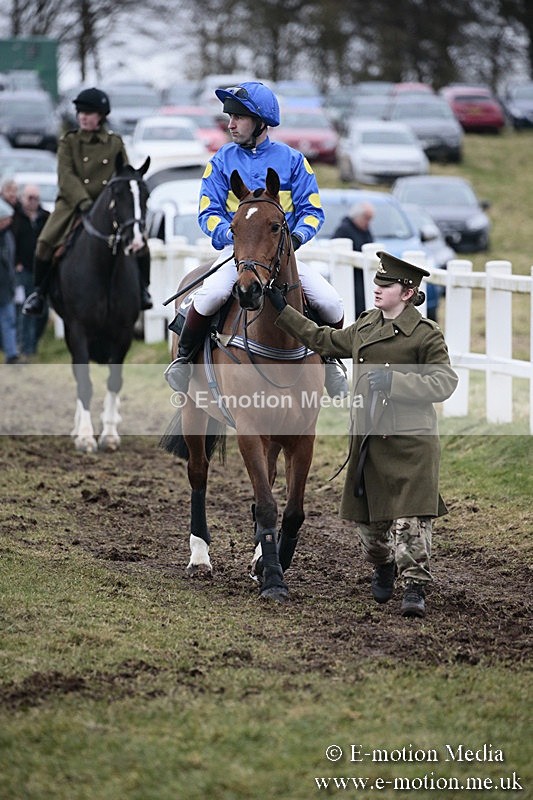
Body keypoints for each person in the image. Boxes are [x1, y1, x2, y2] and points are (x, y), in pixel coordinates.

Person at [265, 251, 458, 617]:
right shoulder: (366, 326)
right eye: (378, 283)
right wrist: (283, 311)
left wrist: (396, 382)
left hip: (411, 444)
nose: (378, 289)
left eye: (387, 285)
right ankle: (382, 565)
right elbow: (324, 339)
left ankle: (415, 588)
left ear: (408, 292)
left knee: (411, 525)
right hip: (368, 443)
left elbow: (445, 381)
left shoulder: (425, 335)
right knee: (370, 532)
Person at [165, 81, 348, 398]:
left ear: (261, 122)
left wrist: (296, 237)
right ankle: (183, 361)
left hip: (282, 255)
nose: (231, 124)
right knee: (207, 298)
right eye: (229, 118)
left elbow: (312, 211)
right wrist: (231, 235)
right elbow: (208, 210)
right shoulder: (221, 160)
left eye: (238, 118)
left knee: (331, 302)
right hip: (238, 257)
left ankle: (331, 363)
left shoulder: (293, 160)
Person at [22, 87, 152, 317]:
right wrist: (82, 201)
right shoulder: (69, 141)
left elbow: (124, 174)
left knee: (139, 241)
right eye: (80, 111)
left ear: (100, 115)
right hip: (73, 204)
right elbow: (66, 176)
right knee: (44, 242)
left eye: (89, 112)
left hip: (108, 204)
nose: (83, 116)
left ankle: (142, 289)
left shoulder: (114, 142)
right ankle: (39, 294)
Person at [12, 184, 50, 359]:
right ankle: (24, 347)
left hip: (42, 271)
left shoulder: (46, 218)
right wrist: (16, 262)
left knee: (42, 311)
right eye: (29, 197)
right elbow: (10, 242)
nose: (33, 201)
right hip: (23, 270)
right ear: (23, 198)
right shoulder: (15, 218)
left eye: (36, 197)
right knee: (24, 310)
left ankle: (32, 344)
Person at [331, 202, 374, 318]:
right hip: (351, 279)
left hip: (363, 277)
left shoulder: (365, 230)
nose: (368, 222)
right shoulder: (343, 230)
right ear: (357, 216)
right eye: (366, 218)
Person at [0, 198, 19, 364]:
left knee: (9, 320)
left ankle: (11, 354)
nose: (9, 221)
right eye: (6, 219)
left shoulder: (8, 236)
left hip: (6, 287)